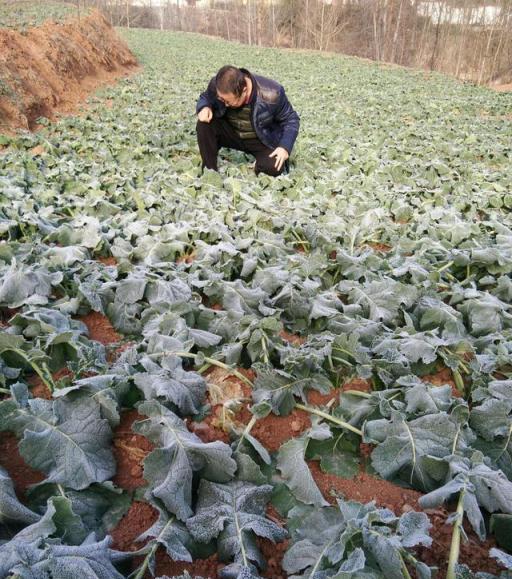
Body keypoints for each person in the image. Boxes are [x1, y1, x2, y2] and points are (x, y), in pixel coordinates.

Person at [196, 65, 300, 177]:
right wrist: (204, 107)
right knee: (204, 124)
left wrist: (284, 147)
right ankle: (209, 171)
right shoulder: (219, 86)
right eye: (222, 100)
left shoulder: (273, 93)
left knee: (274, 166)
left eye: (228, 101)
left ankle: (255, 168)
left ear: (244, 90)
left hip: (260, 139)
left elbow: (291, 119)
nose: (225, 104)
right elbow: (206, 97)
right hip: (232, 133)